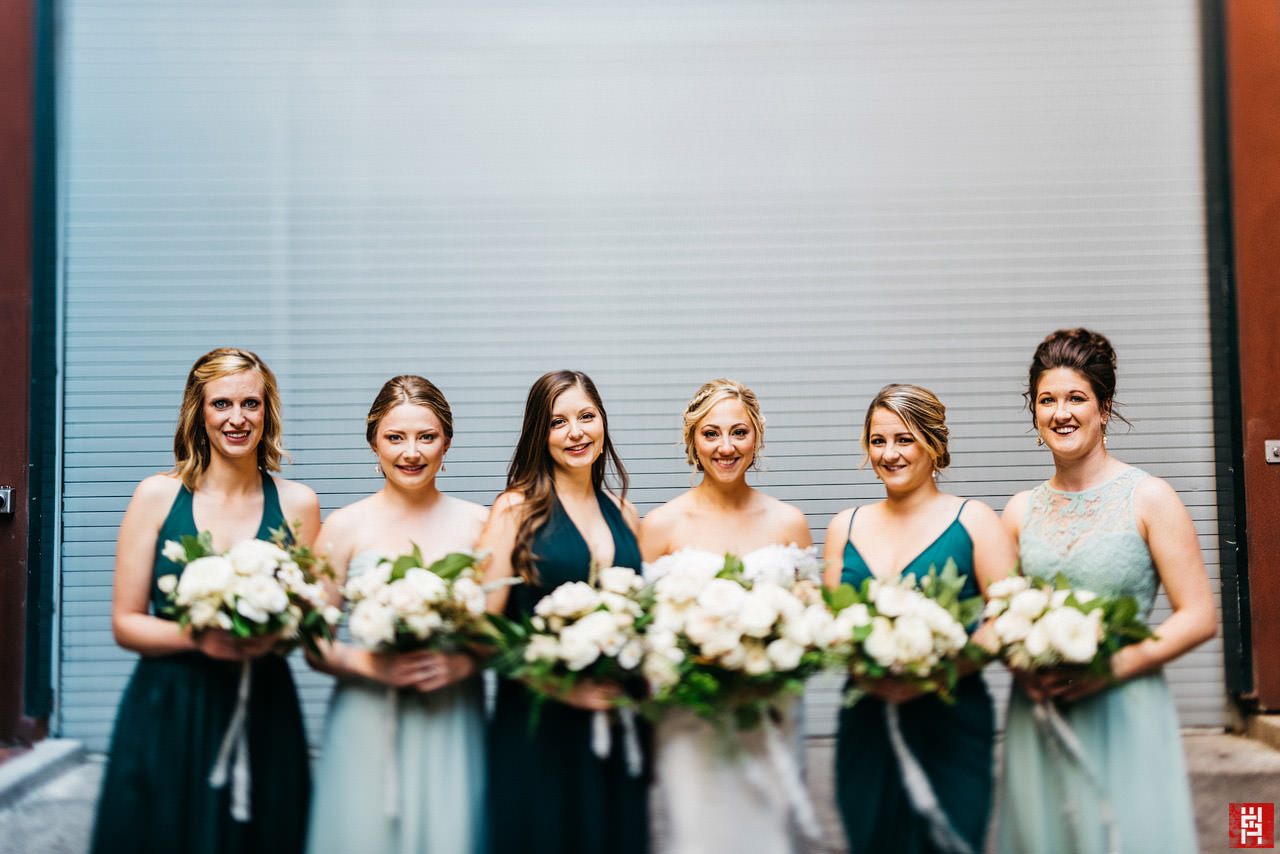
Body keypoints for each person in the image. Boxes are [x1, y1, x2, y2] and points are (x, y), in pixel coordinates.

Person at [90, 348, 319, 854]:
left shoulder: (299, 503)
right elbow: (126, 624)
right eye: (222, 404)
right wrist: (200, 636)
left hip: (262, 702)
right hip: (170, 703)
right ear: (199, 412)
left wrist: (274, 631)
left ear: (268, 411)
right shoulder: (156, 496)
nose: (237, 419)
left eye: (251, 404)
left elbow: (305, 617)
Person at [998, 329, 1215, 854]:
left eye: (1076, 398)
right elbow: (1000, 616)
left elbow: (1199, 615)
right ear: (1034, 411)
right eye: (1047, 400)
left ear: (1104, 406)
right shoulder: (1018, 511)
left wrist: (1109, 671)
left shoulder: (1150, 498)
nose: (1061, 413)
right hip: (1042, 711)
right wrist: (1022, 667)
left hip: (1124, 703)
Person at [821, 383, 1015, 854]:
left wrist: (940, 671)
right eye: (878, 440)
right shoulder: (843, 527)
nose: (889, 454)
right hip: (868, 719)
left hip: (951, 719)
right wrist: (860, 664)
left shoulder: (975, 520)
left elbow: (1008, 620)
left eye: (904, 439)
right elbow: (830, 625)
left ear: (934, 443)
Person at [305, 376, 488, 854]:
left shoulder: (482, 525)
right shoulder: (343, 526)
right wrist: (371, 665)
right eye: (395, 437)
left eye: (426, 437)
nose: (412, 452)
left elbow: (503, 632)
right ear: (373, 443)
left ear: (447, 440)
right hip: (367, 713)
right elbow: (313, 640)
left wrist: (466, 662)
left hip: (451, 712)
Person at [639, 378, 815, 854]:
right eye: (711, 433)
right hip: (690, 723)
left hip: (767, 716)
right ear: (692, 441)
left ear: (756, 436)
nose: (726, 446)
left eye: (739, 432)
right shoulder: (659, 526)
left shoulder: (788, 522)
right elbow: (642, 634)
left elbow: (807, 627)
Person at [479, 370, 649, 854]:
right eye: (558, 422)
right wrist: (557, 685)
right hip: (538, 723)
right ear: (540, 432)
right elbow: (482, 629)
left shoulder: (626, 514)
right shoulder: (514, 511)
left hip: (614, 722)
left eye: (586, 416)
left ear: (603, 422)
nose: (576, 432)